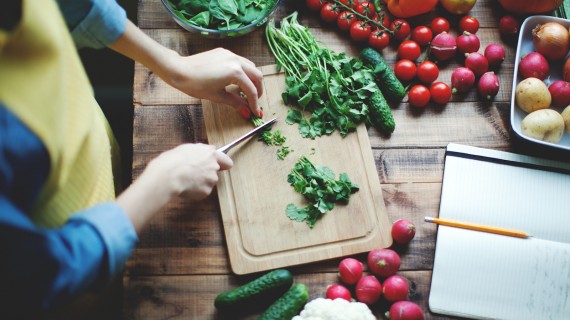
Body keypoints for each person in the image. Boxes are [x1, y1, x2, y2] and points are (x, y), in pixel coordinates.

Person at [0, 0, 263, 318]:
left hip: (84, 150)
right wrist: (164, 180)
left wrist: (172, 65)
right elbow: (36, 280)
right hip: (79, 274)